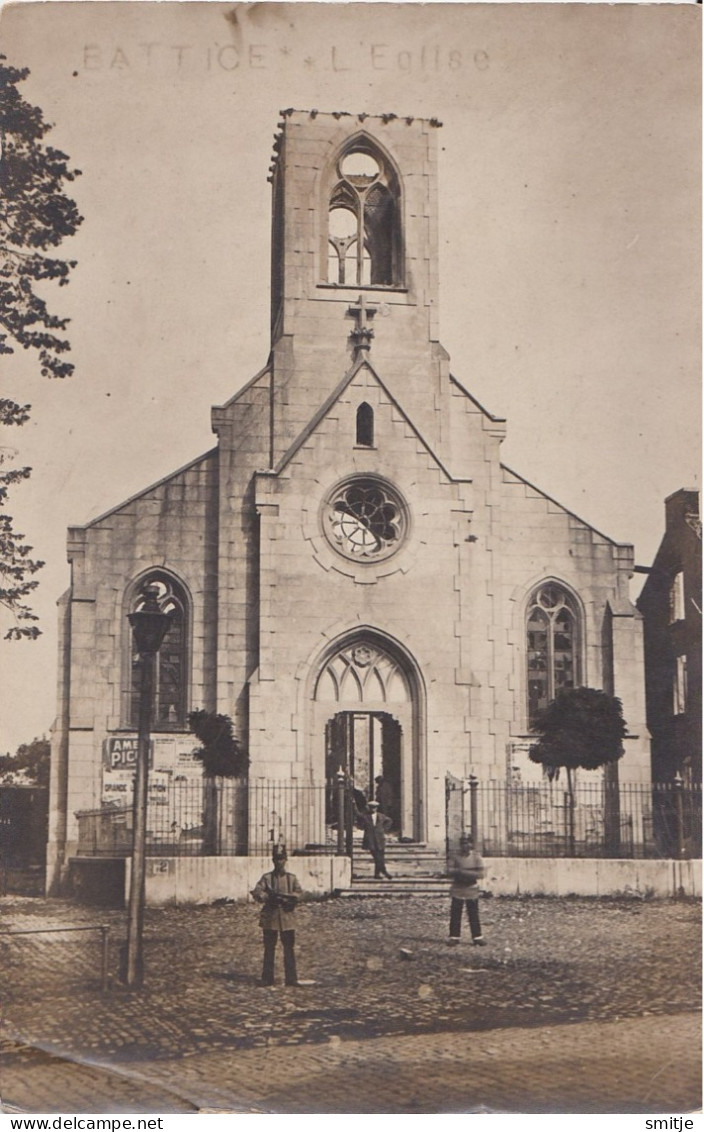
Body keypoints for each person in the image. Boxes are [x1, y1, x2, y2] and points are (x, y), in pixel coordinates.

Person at [251, 844, 303, 986]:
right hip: (271, 916)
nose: (279, 862)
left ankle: (291, 979)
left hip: (287, 917)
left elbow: (299, 893)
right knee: (269, 948)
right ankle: (267, 978)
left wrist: (288, 897)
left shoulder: (291, 879)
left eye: (281, 859)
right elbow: (257, 891)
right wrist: (265, 896)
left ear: (286, 860)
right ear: (273, 861)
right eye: (276, 859)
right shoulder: (267, 878)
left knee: (289, 948)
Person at [447, 832, 486, 946]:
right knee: (455, 913)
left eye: (468, 842)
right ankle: (454, 937)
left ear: (471, 844)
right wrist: (469, 872)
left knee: (473, 913)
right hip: (458, 887)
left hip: (471, 888)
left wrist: (461, 872)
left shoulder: (476, 857)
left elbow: (480, 874)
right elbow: (449, 871)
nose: (465, 845)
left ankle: (477, 937)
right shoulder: (455, 856)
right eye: (463, 843)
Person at [363, 800, 393, 879]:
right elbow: (358, 815)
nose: (373, 809)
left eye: (375, 807)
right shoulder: (365, 816)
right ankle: (384, 871)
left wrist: (384, 829)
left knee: (380, 857)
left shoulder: (381, 816)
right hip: (371, 840)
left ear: (377, 808)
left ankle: (377, 874)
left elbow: (389, 821)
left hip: (380, 839)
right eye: (371, 807)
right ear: (369, 808)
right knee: (377, 857)